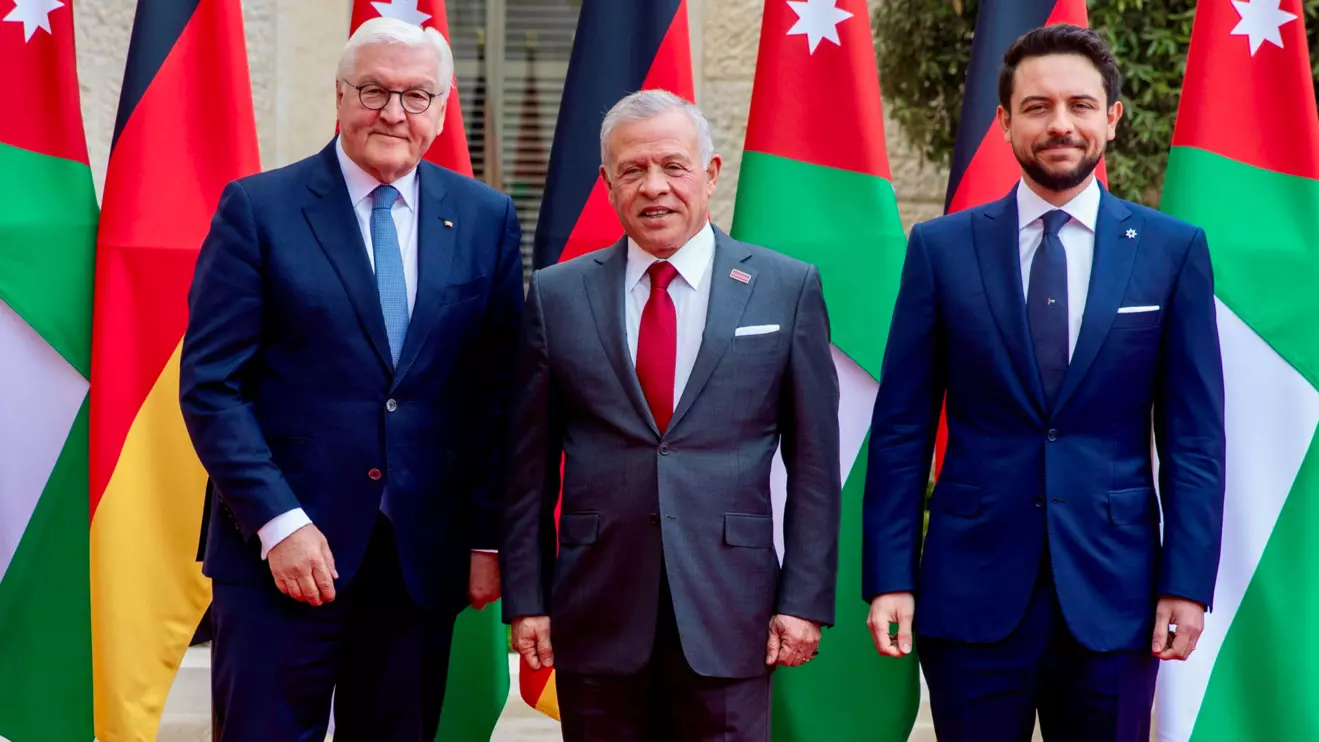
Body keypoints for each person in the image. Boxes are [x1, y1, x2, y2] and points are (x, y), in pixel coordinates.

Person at [862, 24, 1226, 742]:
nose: (1059, 124)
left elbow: (1192, 438)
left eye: (1080, 105)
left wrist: (1185, 585)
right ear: (1004, 123)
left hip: (1115, 597)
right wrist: (889, 575)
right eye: (1036, 106)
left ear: (1110, 119)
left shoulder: (1171, 251)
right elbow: (902, 427)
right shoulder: (939, 249)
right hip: (970, 591)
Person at [179, 17, 523, 741]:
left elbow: (496, 393)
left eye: (415, 95)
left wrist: (487, 539)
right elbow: (212, 385)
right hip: (281, 559)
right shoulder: (259, 209)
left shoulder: (485, 217)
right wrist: (280, 523)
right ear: (339, 97)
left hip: (418, 562)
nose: (393, 113)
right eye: (373, 91)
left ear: (441, 108)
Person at [499, 89, 841, 741]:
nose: (653, 187)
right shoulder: (555, 295)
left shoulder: (784, 287)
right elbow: (527, 471)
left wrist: (802, 600)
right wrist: (528, 599)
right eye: (632, 170)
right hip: (595, 611)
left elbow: (816, 465)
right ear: (606, 184)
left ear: (709, 174)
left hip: (732, 614)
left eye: (672, 166)